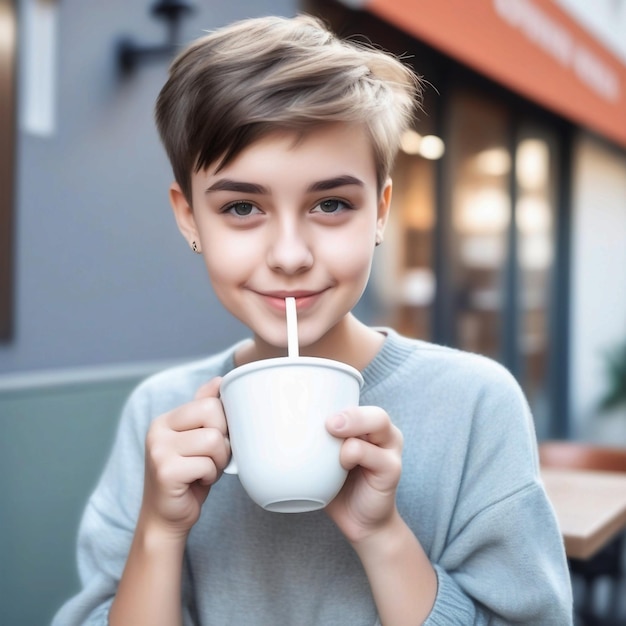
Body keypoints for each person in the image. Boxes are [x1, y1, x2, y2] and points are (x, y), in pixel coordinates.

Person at [53, 14, 573, 626]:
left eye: (331, 204)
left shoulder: (475, 405)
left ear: (380, 212)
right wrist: (159, 533)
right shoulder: (158, 411)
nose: (291, 254)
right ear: (190, 218)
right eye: (242, 207)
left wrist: (381, 534)